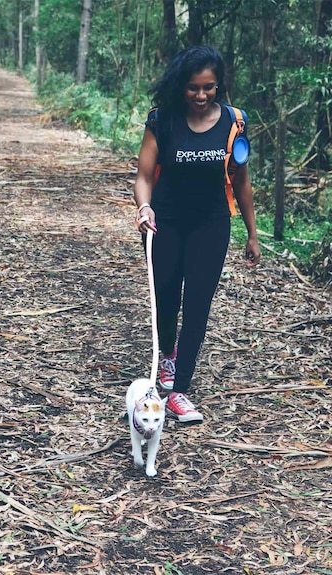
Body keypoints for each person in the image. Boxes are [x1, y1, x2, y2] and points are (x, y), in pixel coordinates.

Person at [133, 45, 260, 424]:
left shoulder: (234, 122)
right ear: (181, 86)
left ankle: (180, 390)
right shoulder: (163, 121)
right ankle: (167, 355)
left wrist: (253, 234)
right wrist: (144, 207)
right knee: (167, 297)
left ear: (218, 85)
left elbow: (242, 181)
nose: (201, 95)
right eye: (193, 88)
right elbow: (143, 175)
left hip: (211, 224)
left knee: (199, 304)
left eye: (209, 87)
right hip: (165, 222)